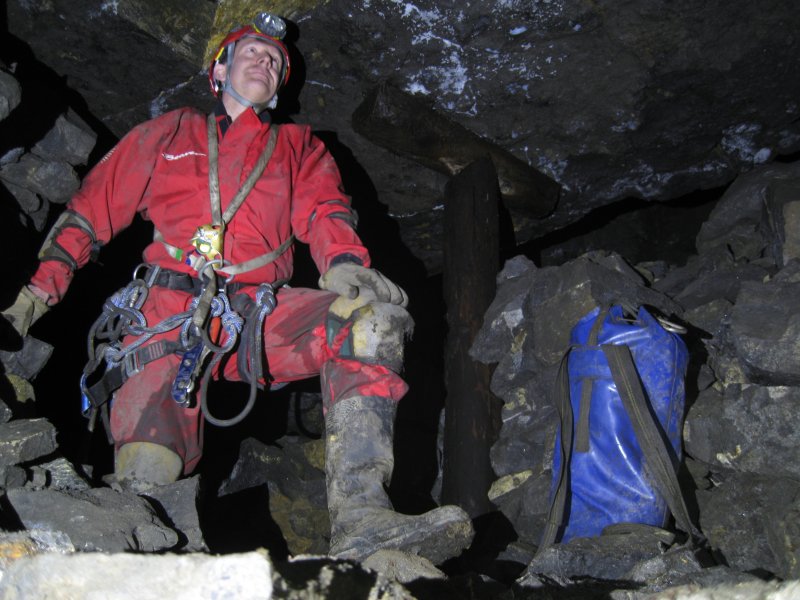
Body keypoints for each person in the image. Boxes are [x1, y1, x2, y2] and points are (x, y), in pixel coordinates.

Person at [1, 12, 473, 563]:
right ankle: (145, 555)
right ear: (218, 71)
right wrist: (34, 295)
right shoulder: (170, 131)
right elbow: (91, 212)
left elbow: (325, 211)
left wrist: (346, 266)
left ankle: (363, 518)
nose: (265, 61)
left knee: (373, 322)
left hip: (258, 313)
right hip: (165, 312)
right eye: (251, 52)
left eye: (275, 62)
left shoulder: (299, 148)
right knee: (150, 470)